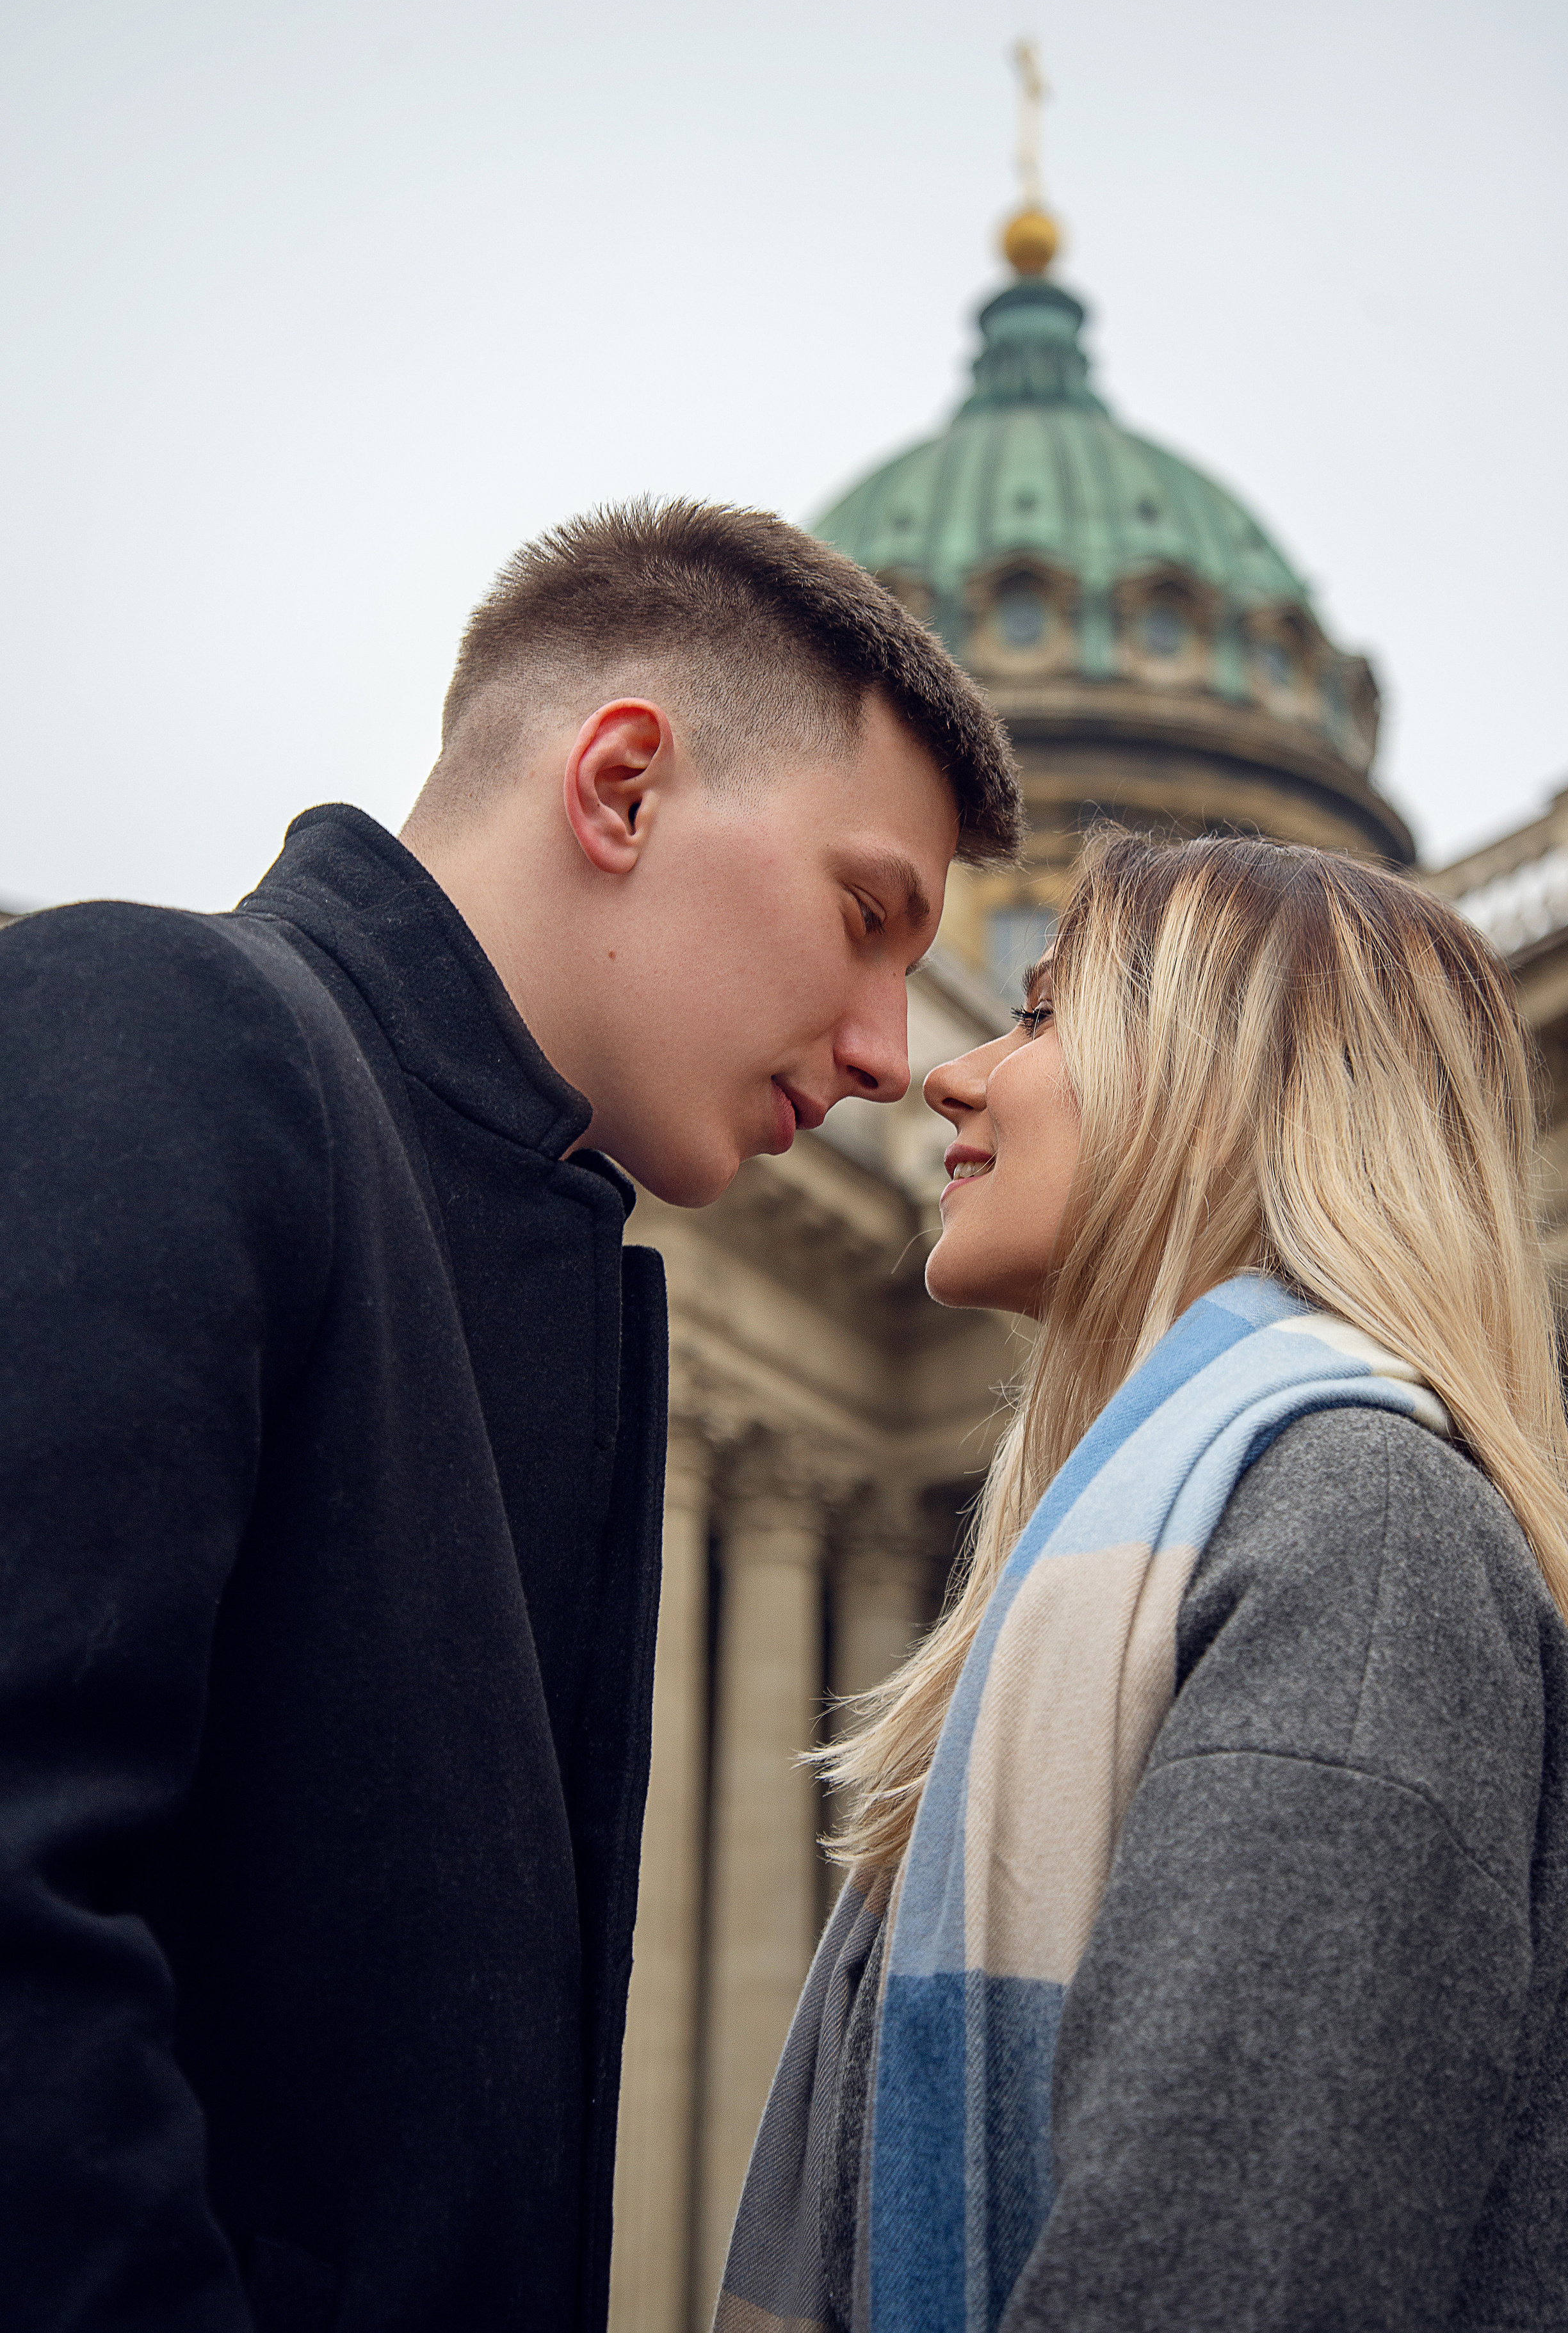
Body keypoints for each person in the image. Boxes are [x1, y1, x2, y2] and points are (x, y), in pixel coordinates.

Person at [0, 499, 1021, 2333]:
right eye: (865, 916)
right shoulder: (159, 1025)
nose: (894, 1048)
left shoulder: (520, 1252)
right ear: (622, 788)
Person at [717, 829, 1568, 2333]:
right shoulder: (1221, 1541)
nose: (938, 1074)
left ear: (1212, 1095)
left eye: (1034, 1014)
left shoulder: (1366, 1542)